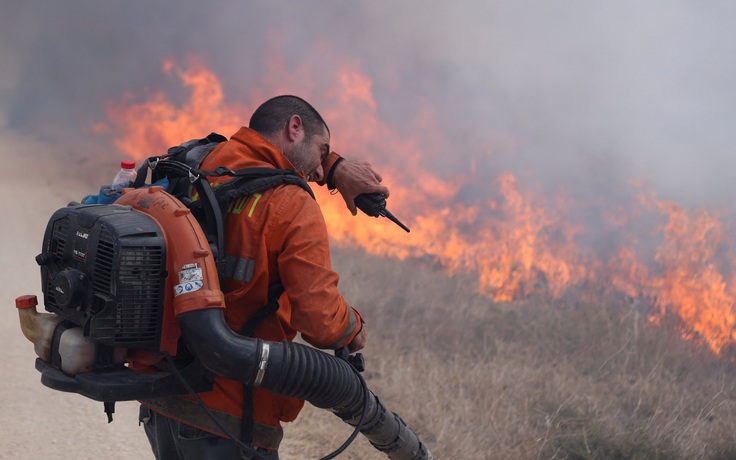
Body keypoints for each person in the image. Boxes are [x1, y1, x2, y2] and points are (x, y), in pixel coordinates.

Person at [139, 95, 387, 460]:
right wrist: (352, 326)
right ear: (294, 127)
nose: (319, 174)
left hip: (163, 399)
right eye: (323, 153)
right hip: (230, 417)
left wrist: (334, 165)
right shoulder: (291, 204)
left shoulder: (199, 162)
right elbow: (320, 322)